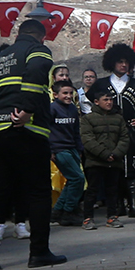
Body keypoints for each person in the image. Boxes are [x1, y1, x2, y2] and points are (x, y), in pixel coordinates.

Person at [0, 16, 63, 270]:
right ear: (41, 37)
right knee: (39, 191)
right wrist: (28, 109)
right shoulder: (37, 50)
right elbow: (37, 74)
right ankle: (39, 252)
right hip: (26, 129)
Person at [99, 44, 135, 218]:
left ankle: (134, 206)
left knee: (133, 167)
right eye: (120, 61)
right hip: (108, 131)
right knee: (113, 168)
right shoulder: (102, 84)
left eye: (126, 62)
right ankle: (118, 206)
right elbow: (88, 102)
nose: (123, 65)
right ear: (112, 63)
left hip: (130, 130)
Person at [79, 82, 129, 227]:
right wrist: (104, 153)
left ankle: (112, 216)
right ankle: (88, 218)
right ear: (96, 102)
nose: (109, 102)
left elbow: (124, 138)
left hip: (114, 161)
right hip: (95, 161)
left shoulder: (118, 118)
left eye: (110, 99)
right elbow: (88, 140)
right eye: (105, 100)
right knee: (92, 190)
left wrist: (115, 154)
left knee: (112, 190)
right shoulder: (88, 119)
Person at [48, 80, 86, 226]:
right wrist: (50, 150)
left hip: (72, 148)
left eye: (70, 93)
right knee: (78, 179)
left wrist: (79, 149)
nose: (69, 96)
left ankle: (57, 211)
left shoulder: (72, 109)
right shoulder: (51, 109)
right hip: (59, 149)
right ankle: (68, 212)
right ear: (55, 94)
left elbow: (76, 131)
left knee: (72, 180)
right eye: (65, 93)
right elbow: (45, 131)